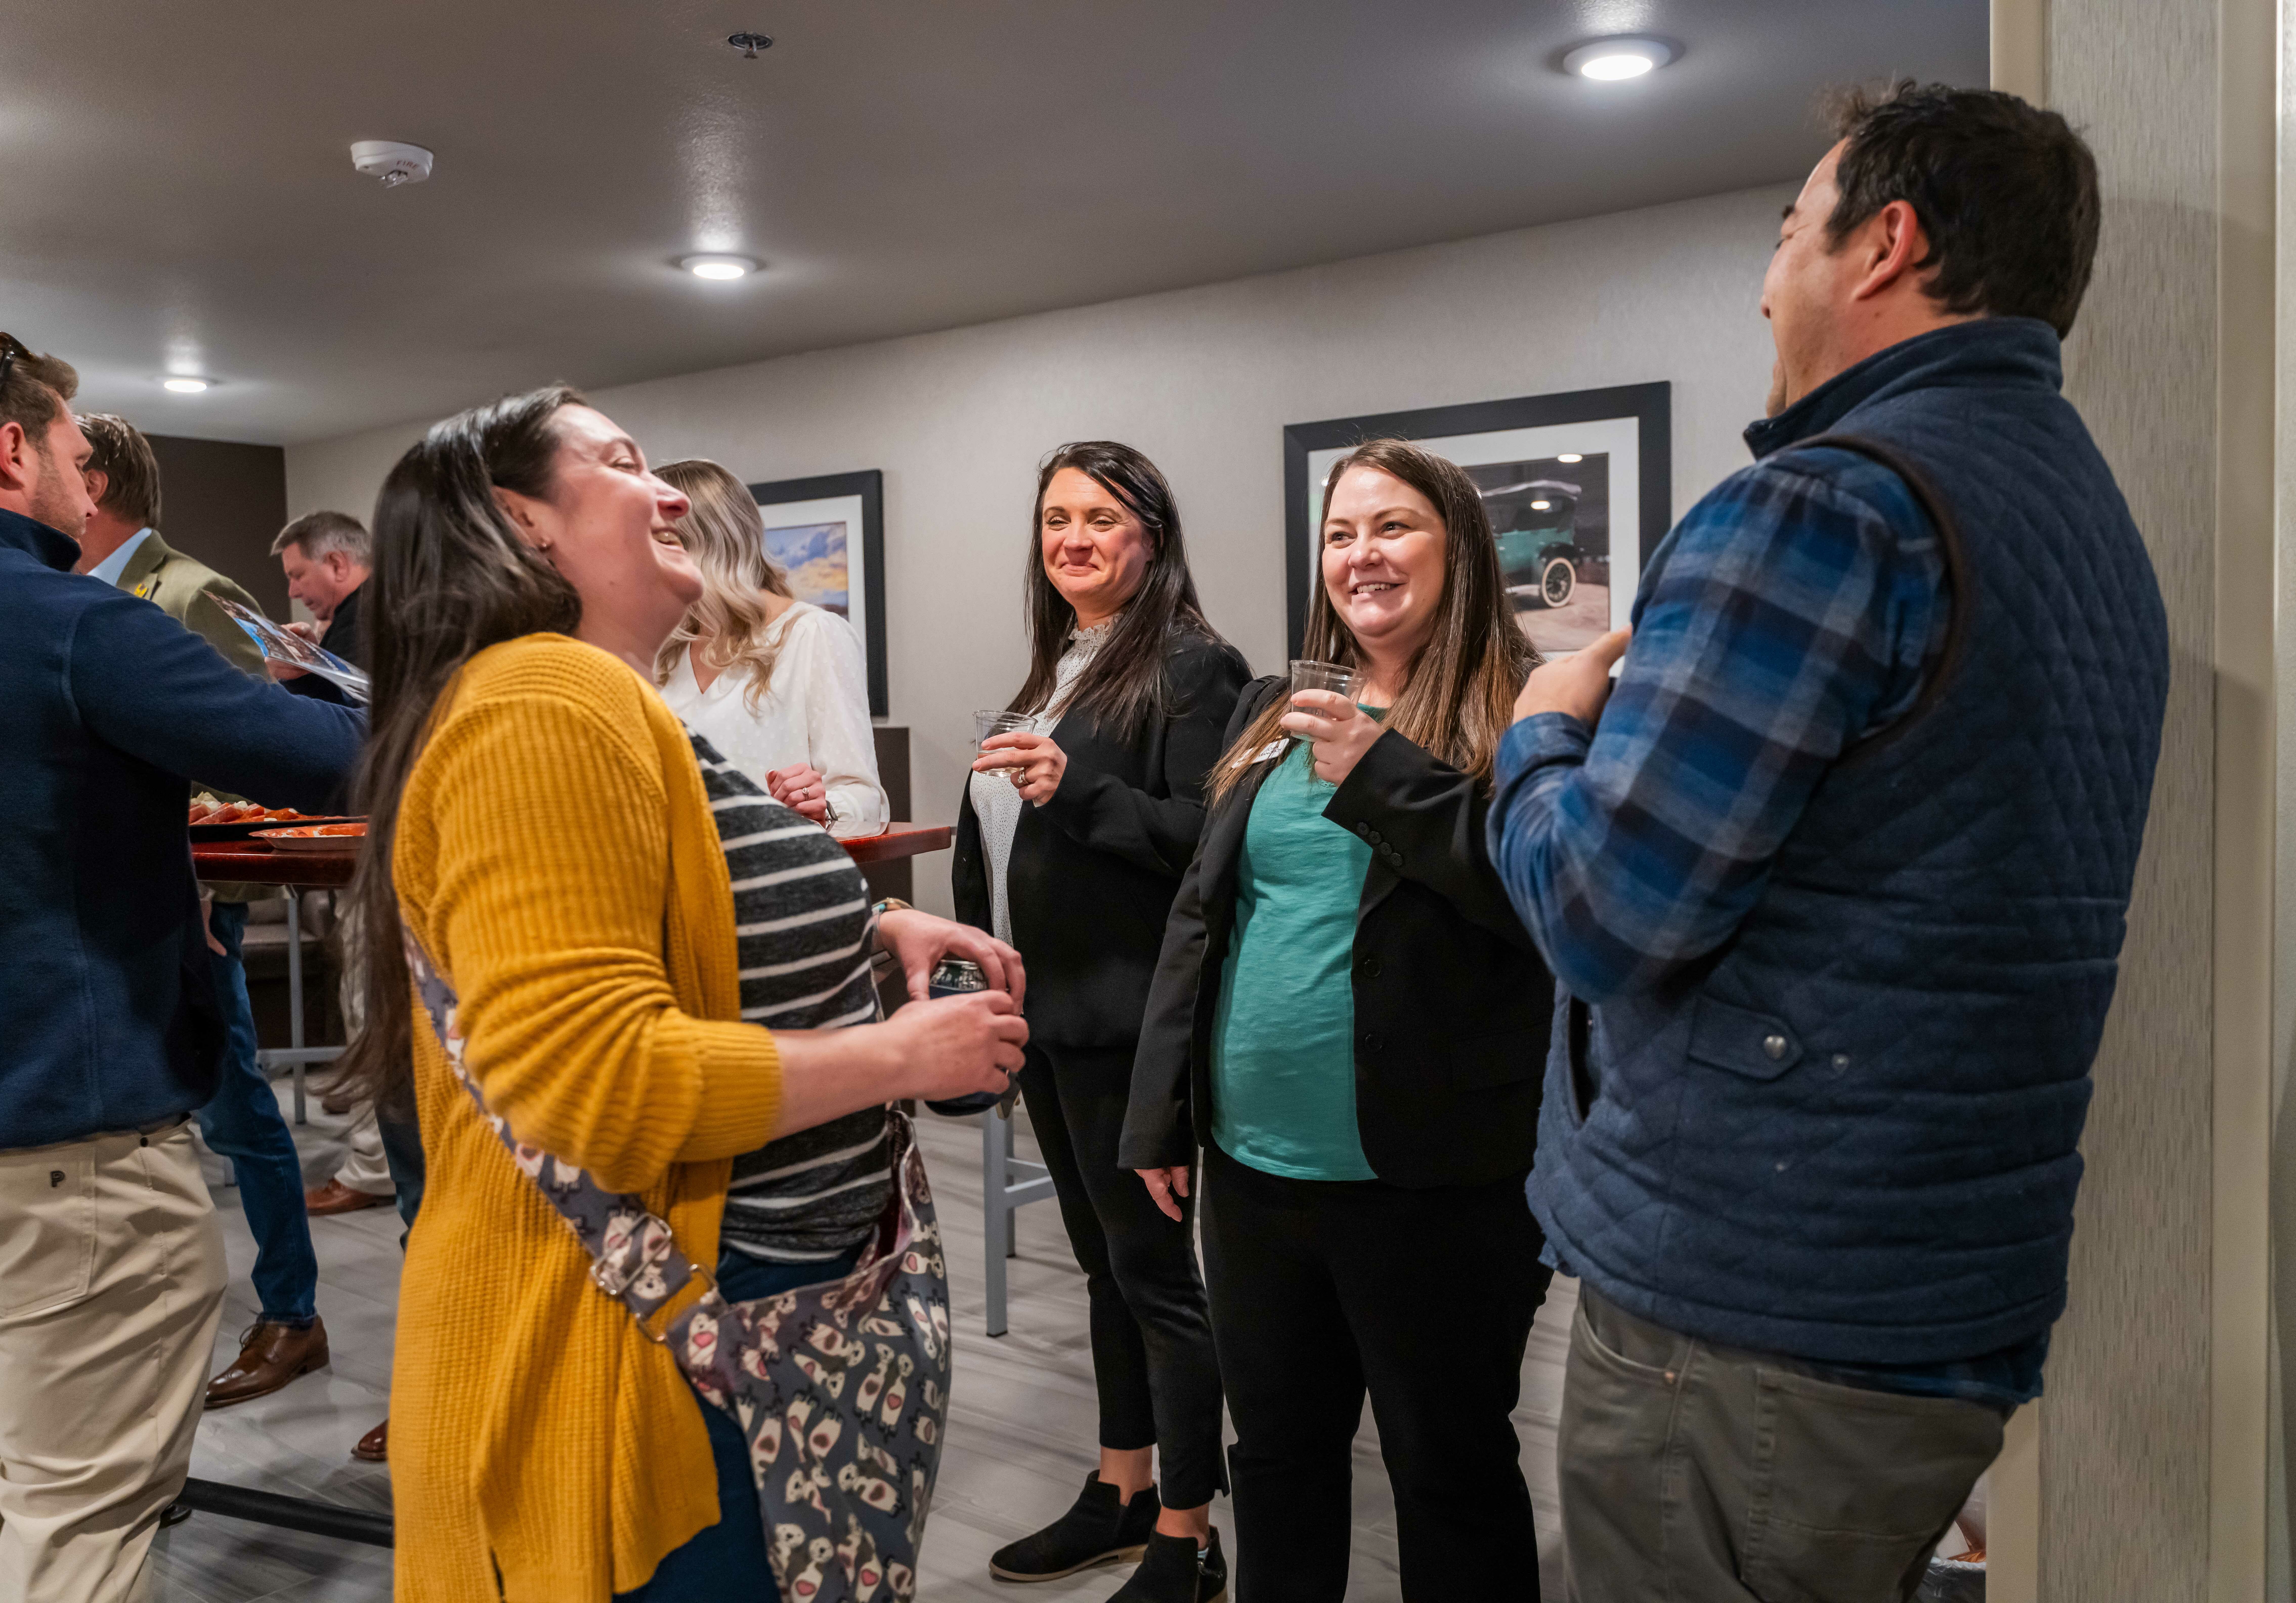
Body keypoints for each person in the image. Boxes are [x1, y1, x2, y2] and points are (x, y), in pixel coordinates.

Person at [1485, 83, 2170, 1602]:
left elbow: (1603, 911)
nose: (1764, 278)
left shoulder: (1819, 508)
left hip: (1749, 1306)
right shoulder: (2083, 514)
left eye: (1790, 230)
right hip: (1919, 1290)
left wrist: (1537, 732)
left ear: (1887, 246)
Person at [338, 383, 1028, 1601]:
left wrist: (872, 928)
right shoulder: (546, 699)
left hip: (718, 1334)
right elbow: (597, 1081)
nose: (671, 492)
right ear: (523, 521)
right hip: (651, 1361)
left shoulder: (601, 697)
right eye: (621, 462)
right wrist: (906, 1060)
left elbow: (676, 922)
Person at [1120, 439, 1554, 1602]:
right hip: (1255, 1166)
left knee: (1445, 1466)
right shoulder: (1277, 701)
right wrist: (1162, 1110)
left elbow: (1540, 901)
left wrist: (1381, 773)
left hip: (1433, 1177)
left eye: (1393, 526)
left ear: (1458, 543)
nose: (1361, 554)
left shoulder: (1530, 700)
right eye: (1341, 532)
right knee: (1275, 1457)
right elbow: (1205, 912)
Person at [0, 335, 363, 1603]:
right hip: (65, 1156)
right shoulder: (74, 624)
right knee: (78, 1518)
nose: (81, 470)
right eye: (68, 445)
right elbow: (328, 761)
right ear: (13, 450)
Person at [951, 441, 1248, 1603]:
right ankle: (1121, 1485)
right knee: (1103, 1268)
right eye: (1055, 519)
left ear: (1152, 537)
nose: (1073, 538)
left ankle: (1189, 1526)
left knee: (1156, 1277)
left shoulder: (1191, 667)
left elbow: (1202, 844)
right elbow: (996, 844)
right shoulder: (1054, 671)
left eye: (1102, 518)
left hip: (1130, 1027)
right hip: (1046, 1020)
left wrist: (1068, 789)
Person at [74, 413, 337, 1409]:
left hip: (196, 906)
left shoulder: (189, 592)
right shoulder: (68, 594)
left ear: (89, 482)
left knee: (236, 1113)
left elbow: (248, 774)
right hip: (108, 906)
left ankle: (291, 1313)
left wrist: (215, 895)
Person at [654, 458, 888, 836]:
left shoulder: (812, 633)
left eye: (656, 541)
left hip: (776, 878)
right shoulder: (661, 652)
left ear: (705, 546)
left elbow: (865, 801)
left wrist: (820, 805)